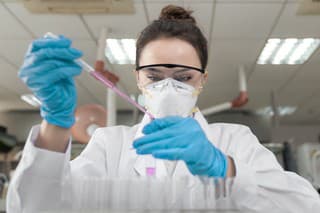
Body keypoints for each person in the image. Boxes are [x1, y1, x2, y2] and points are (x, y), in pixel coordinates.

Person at [7, 5, 320, 213]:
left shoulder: (234, 140)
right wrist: (56, 124)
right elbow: (39, 206)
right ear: (138, 79)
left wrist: (224, 168)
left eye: (184, 77)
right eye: (154, 76)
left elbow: (304, 206)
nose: (168, 88)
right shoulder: (110, 144)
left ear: (202, 80)